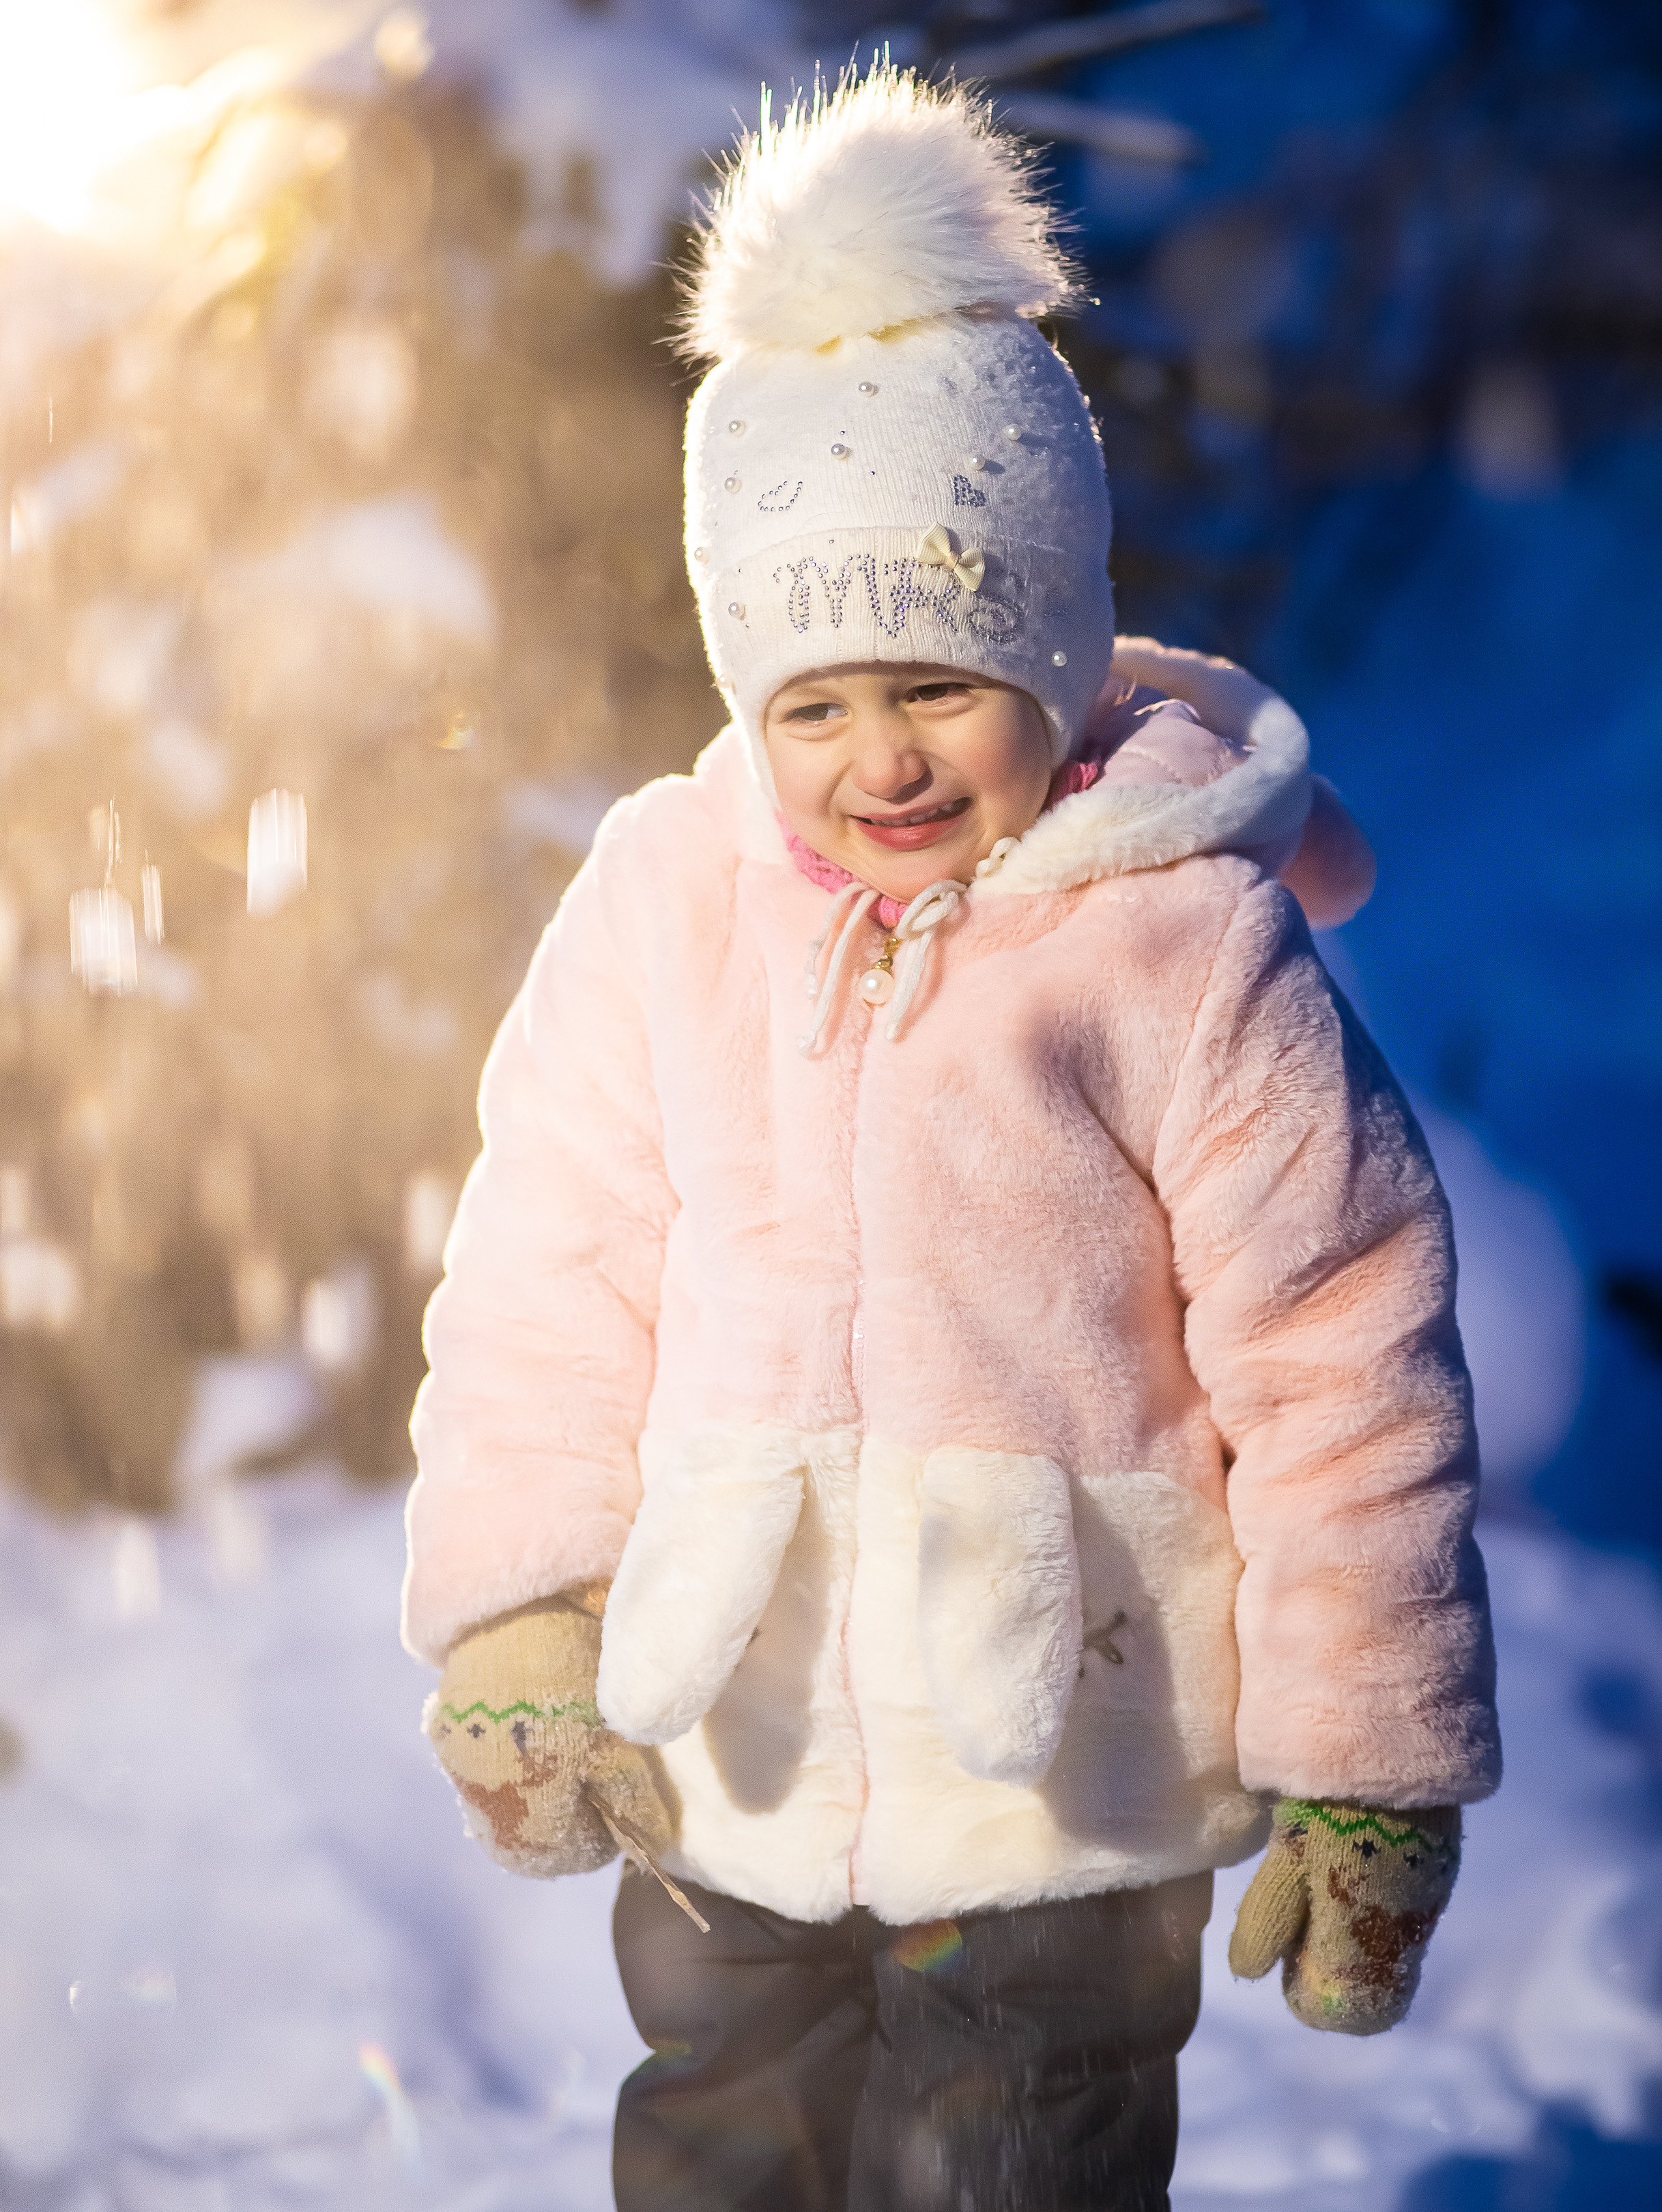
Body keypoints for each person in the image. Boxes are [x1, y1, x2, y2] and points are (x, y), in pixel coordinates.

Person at [401, 68, 1499, 2212]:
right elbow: (555, 1263)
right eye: (811, 703)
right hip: (731, 1744)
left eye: (939, 683)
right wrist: (521, 1609)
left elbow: (1345, 1355)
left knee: (1006, 2165)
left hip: (1058, 1767)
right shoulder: (665, 902)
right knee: (717, 2152)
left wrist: (1368, 1760)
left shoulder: (1177, 942)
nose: (877, 759)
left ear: (1056, 649)